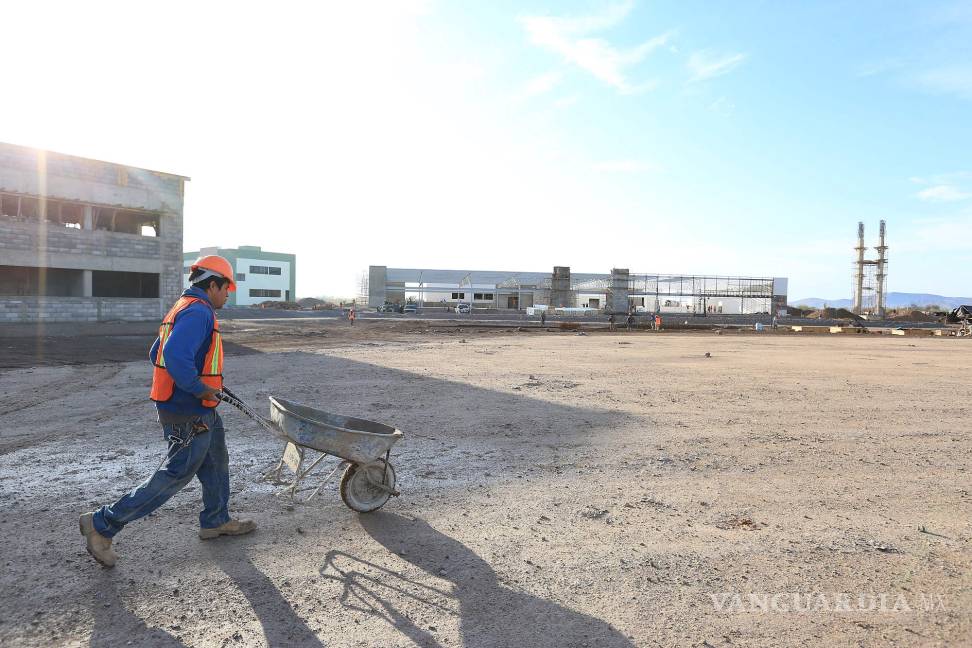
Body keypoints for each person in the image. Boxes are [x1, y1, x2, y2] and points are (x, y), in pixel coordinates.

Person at [79, 255, 256, 568]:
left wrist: (200, 386)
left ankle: (215, 520)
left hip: (199, 407)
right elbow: (173, 354)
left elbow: (155, 353)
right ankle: (103, 523)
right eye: (226, 288)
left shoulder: (181, 307)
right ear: (212, 285)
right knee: (176, 474)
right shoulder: (199, 312)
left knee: (216, 460)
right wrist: (197, 386)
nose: (228, 294)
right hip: (189, 410)